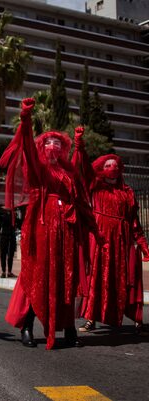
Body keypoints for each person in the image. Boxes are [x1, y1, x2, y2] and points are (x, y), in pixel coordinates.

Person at [0, 98, 99, 350]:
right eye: (48, 142)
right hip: (41, 229)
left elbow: (80, 196)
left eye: (57, 142)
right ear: (41, 146)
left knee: (66, 277)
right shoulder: (38, 168)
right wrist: (25, 119)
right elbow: (26, 147)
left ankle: (68, 328)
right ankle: (27, 326)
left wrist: (95, 232)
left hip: (67, 231)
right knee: (38, 276)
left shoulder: (68, 172)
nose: (53, 145)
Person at [72, 128, 149, 334]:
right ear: (101, 169)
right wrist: (80, 145)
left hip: (122, 243)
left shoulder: (127, 192)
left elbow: (134, 222)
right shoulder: (95, 186)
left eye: (115, 165)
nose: (112, 168)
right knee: (96, 278)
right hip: (100, 241)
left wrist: (143, 245)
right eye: (108, 165)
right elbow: (83, 169)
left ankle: (136, 320)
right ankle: (91, 318)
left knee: (125, 279)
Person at [0, 208, 17, 278]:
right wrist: (2, 208)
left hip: (11, 236)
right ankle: (3, 272)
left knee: (10, 255)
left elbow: (18, 222)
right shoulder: (3, 215)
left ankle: (9, 272)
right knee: (3, 254)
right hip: (3, 236)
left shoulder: (14, 215)